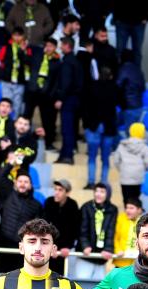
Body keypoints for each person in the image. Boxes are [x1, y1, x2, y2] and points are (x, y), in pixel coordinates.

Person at [0, 169, 42, 272]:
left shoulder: (36, 205)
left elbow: (37, 228)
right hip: (3, 244)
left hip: (22, 247)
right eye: (20, 181)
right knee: (1, 276)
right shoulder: (8, 194)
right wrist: (11, 163)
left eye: (26, 182)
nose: (22, 184)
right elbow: (2, 176)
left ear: (30, 185)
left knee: (18, 276)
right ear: (15, 183)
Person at [82, 66, 118, 189]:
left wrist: (86, 124)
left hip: (93, 126)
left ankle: (91, 182)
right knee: (105, 158)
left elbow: (85, 107)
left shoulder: (91, 87)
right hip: (109, 127)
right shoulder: (114, 88)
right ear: (110, 76)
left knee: (92, 156)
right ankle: (103, 182)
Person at [24, 36, 59, 149]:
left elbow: (56, 80)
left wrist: (51, 94)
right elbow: (26, 61)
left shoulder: (57, 61)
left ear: (55, 48)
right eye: (47, 45)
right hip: (32, 91)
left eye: (51, 46)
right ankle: (24, 139)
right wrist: (23, 51)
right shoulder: (37, 55)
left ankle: (48, 142)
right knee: (26, 116)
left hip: (46, 94)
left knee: (47, 120)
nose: (48, 48)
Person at [77, 183, 117, 280]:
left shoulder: (112, 209)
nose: (98, 194)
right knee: (82, 284)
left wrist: (108, 249)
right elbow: (82, 229)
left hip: (101, 257)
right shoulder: (86, 207)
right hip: (86, 256)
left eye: (102, 192)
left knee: (98, 285)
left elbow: (111, 230)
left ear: (108, 194)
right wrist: (85, 245)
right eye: (96, 191)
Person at [41, 178, 80, 274]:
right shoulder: (49, 202)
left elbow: (74, 229)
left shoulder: (73, 205)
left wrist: (67, 247)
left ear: (67, 193)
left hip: (63, 251)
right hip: (48, 248)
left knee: (59, 278)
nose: (56, 192)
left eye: (60, 190)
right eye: (55, 189)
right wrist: (50, 245)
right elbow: (45, 226)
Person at [54, 37, 82, 165]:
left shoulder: (67, 62)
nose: (60, 47)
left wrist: (60, 98)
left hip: (68, 99)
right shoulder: (76, 61)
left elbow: (66, 83)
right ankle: (64, 154)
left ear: (67, 45)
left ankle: (67, 155)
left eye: (62, 45)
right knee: (70, 128)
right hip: (75, 99)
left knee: (67, 129)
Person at [112, 122, 148, 203]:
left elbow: (116, 160)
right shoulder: (144, 147)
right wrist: (143, 169)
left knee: (126, 200)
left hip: (125, 176)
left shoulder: (122, 145)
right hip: (139, 177)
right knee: (137, 201)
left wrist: (122, 169)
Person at [0, 27, 31, 116]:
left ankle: (15, 123)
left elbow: (28, 63)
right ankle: (4, 122)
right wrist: (3, 74)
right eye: (15, 35)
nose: (17, 38)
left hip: (20, 82)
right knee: (5, 104)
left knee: (17, 106)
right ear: (12, 36)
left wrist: (23, 51)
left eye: (19, 35)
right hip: (6, 81)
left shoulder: (27, 49)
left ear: (23, 36)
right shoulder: (6, 47)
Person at [116, 49, 145, 132]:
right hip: (138, 106)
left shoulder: (123, 69)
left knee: (130, 134)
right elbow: (143, 88)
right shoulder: (138, 70)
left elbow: (117, 86)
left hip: (129, 106)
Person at [112, 197, 144, 268]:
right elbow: (115, 237)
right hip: (121, 261)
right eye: (127, 208)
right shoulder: (121, 219)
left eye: (131, 208)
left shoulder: (144, 222)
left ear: (139, 210)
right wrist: (118, 250)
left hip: (137, 264)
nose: (128, 210)